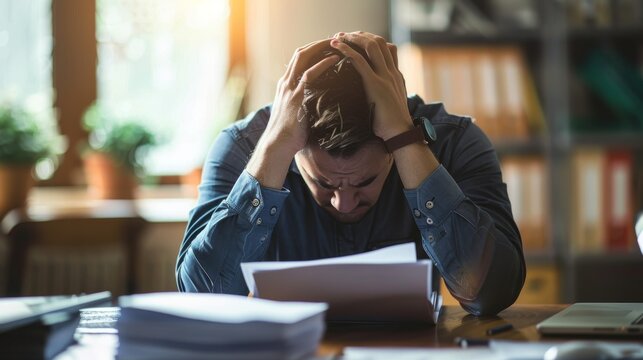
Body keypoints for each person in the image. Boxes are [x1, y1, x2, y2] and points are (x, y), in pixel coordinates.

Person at [176, 31, 525, 316]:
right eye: (323, 182)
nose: (343, 203)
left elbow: (491, 293)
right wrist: (273, 149)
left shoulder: (455, 142)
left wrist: (406, 141)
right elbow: (205, 295)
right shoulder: (244, 149)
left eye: (365, 181)